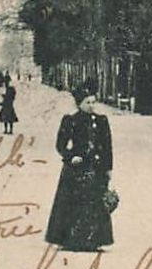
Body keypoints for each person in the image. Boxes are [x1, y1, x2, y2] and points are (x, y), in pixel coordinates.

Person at [44, 86, 114, 252]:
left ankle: (94, 239)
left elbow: (107, 146)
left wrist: (108, 167)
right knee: (72, 203)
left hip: (95, 168)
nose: (91, 105)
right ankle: (71, 239)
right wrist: (70, 156)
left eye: (93, 102)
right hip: (75, 169)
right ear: (79, 104)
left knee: (95, 202)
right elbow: (60, 144)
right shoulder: (70, 120)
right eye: (87, 102)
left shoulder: (102, 121)